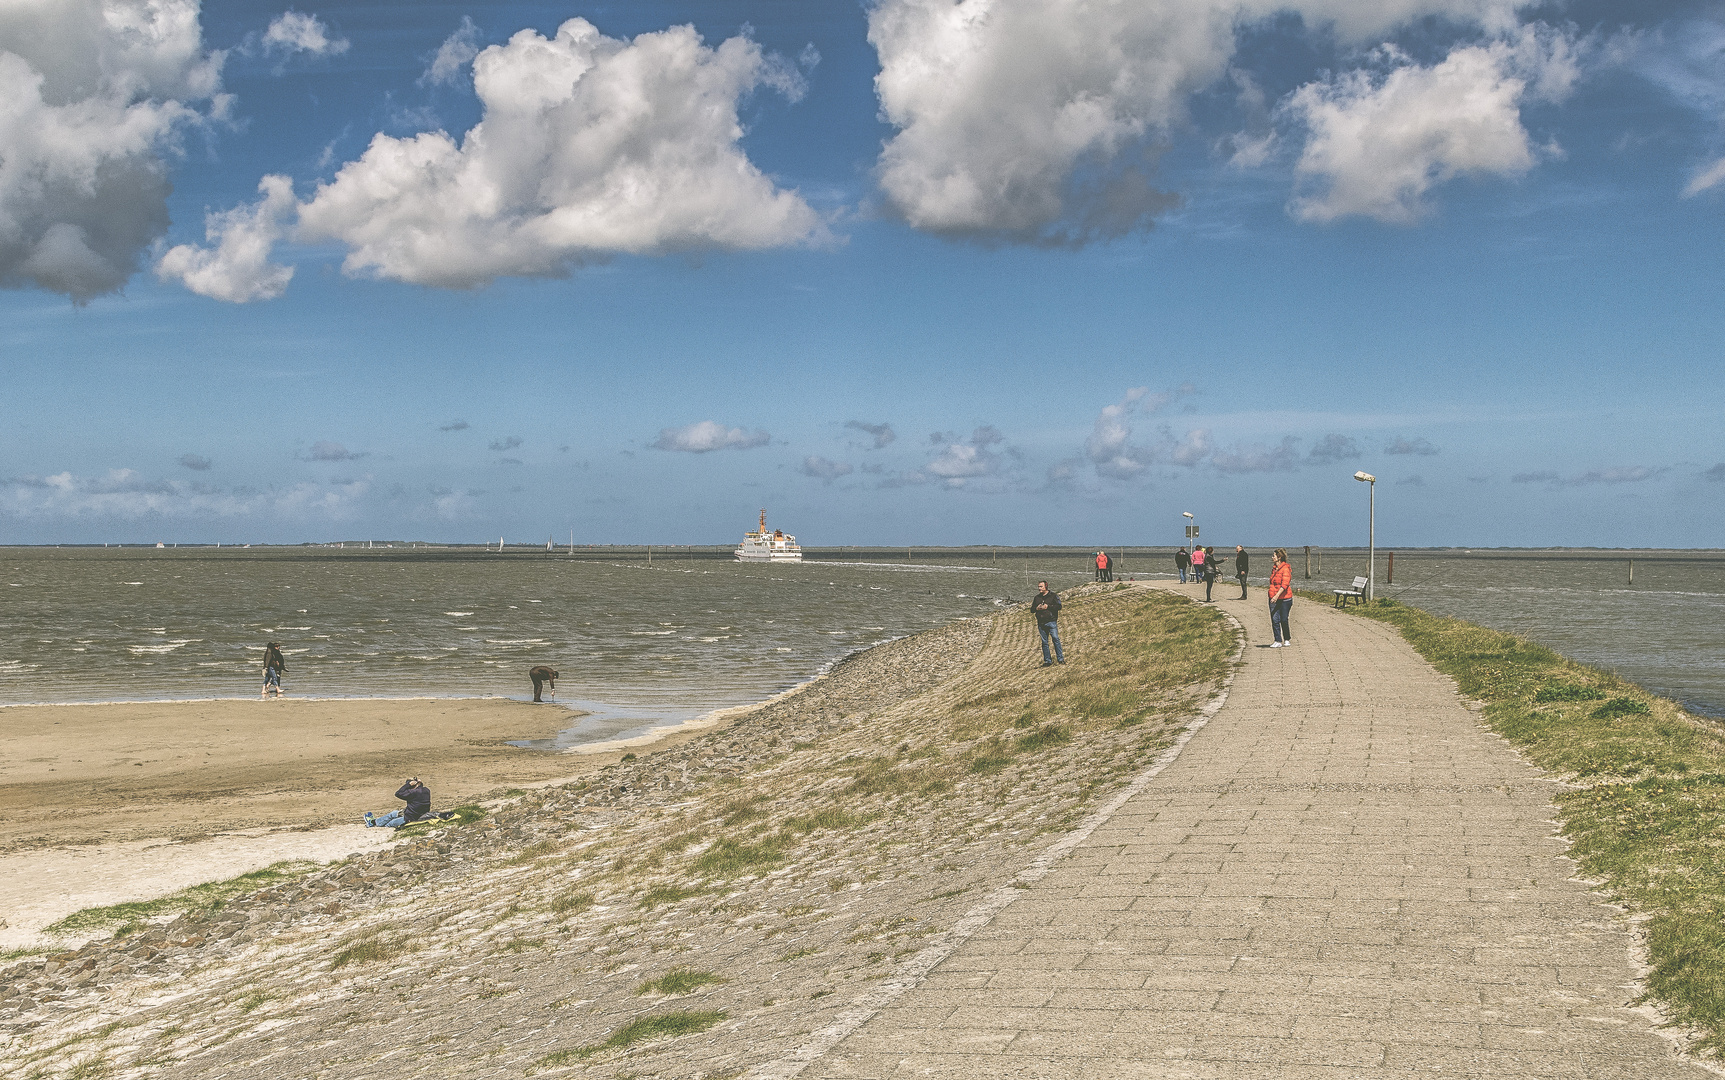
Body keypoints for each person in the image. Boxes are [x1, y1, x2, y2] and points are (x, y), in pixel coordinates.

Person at [365, 777, 434, 828]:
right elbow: (420, 788)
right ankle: (374, 821)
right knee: (393, 813)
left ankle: (373, 823)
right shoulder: (426, 790)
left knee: (389, 823)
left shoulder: (412, 793)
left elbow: (398, 793)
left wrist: (408, 785)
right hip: (416, 814)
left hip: (411, 818)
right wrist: (419, 783)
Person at [1031, 581, 1064, 666]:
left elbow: (1059, 606)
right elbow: (1032, 609)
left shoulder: (1053, 596)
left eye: (1041, 587)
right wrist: (1037, 608)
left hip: (1051, 621)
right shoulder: (1037, 598)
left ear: (1046, 587)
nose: (1039, 588)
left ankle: (1060, 659)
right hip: (1041, 623)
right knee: (1044, 642)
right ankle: (1047, 661)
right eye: (1038, 587)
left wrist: (1048, 607)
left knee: (1055, 639)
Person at [1268, 548, 1293, 647]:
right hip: (1273, 597)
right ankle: (1277, 640)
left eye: (1274, 556)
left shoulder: (1285, 569)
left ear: (1279, 557)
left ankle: (1287, 638)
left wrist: (1277, 595)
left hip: (1285, 599)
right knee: (1275, 619)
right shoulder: (1274, 568)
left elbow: (1285, 584)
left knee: (1283, 619)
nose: (1272, 557)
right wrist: (1272, 596)